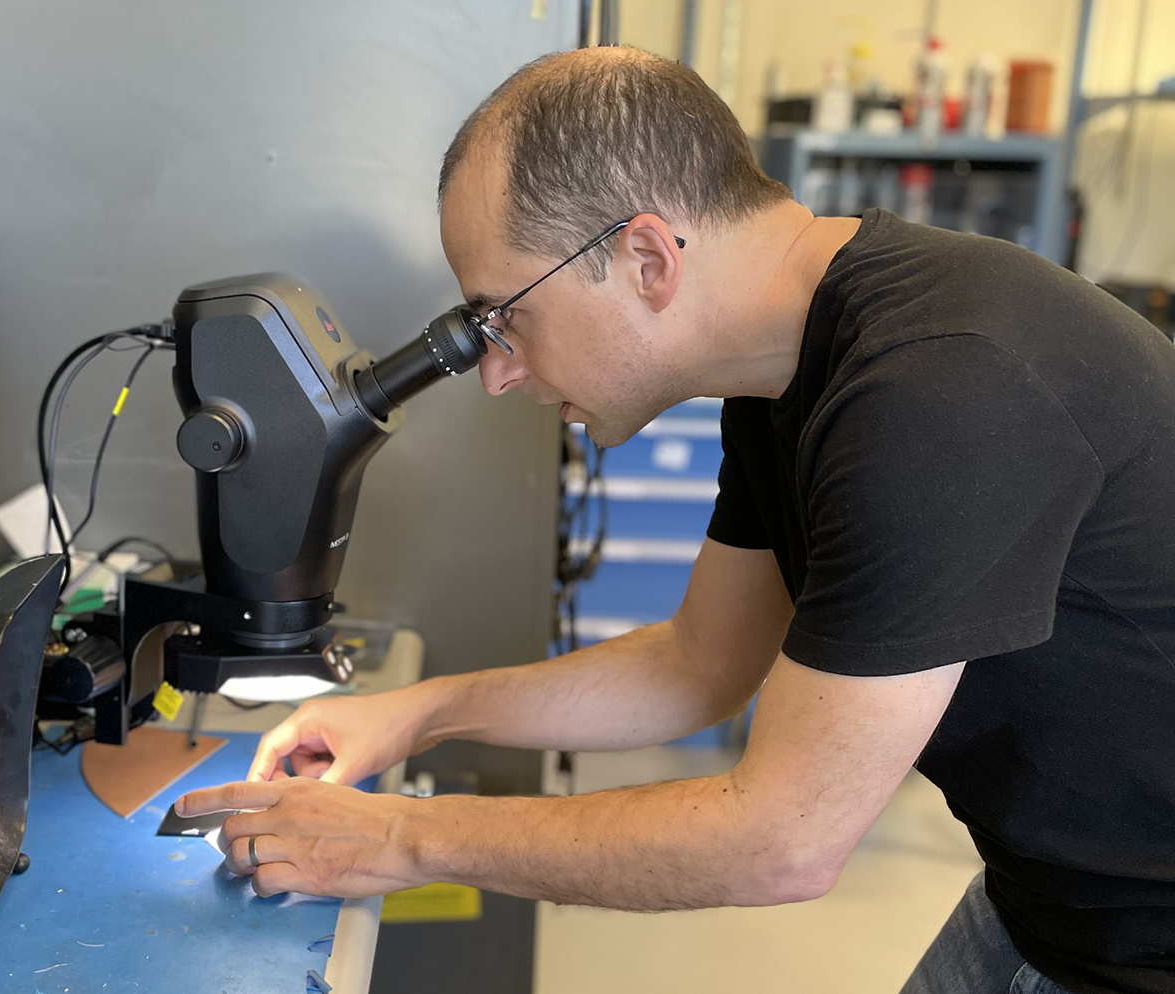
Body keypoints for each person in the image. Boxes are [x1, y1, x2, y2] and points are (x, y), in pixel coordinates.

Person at [176, 47, 1175, 994]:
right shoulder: (787, 374)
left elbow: (781, 836)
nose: (497, 372)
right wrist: (417, 711)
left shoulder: (938, 390)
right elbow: (698, 661)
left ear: (647, 257)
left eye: (504, 315)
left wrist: (396, 839)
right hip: (1050, 902)